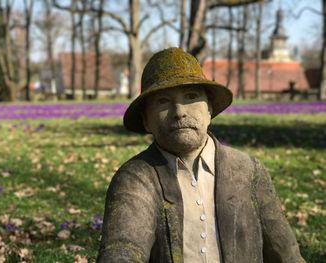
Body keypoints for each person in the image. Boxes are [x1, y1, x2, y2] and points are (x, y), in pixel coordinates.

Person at [97, 47, 305, 263]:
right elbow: (121, 251)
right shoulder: (135, 177)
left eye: (191, 96)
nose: (179, 111)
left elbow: (286, 253)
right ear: (146, 120)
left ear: (209, 109)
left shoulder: (248, 170)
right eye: (163, 101)